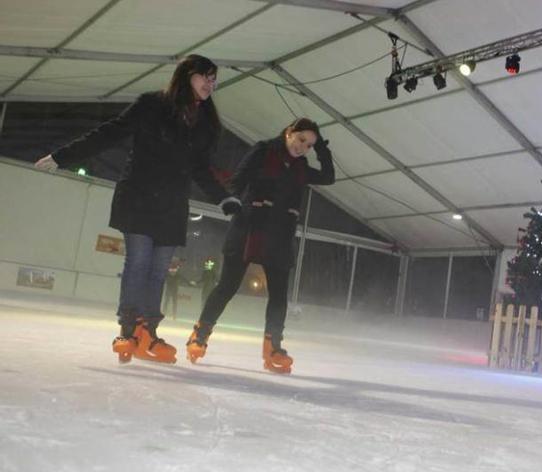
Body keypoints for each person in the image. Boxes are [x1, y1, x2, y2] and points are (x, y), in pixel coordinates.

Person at [34, 54, 241, 364]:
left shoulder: (206, 124)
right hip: (139, 196)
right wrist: (63, 156)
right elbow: (109, 132)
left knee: (159, 270)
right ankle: (128, 330)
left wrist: (223, 198)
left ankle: (148, 333)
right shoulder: (151, 105)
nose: (210, 84)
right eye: (205, 77)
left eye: (214, 79)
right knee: (139, 261)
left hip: (172, 204)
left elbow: (200, 169)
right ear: (187, 75)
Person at [186, 118, 335, 374]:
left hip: (279, 234)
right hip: (249, 226)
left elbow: (328, 177)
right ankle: (199, 334)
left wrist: (322, 148)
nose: (303, 147)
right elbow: (238, 180)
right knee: (227, 286)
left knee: (278, 296)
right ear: (289, 133)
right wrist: (232, 202)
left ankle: (273, 348)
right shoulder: (264, 150)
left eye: (309, 145)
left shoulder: (301, 167)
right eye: (301, 140)